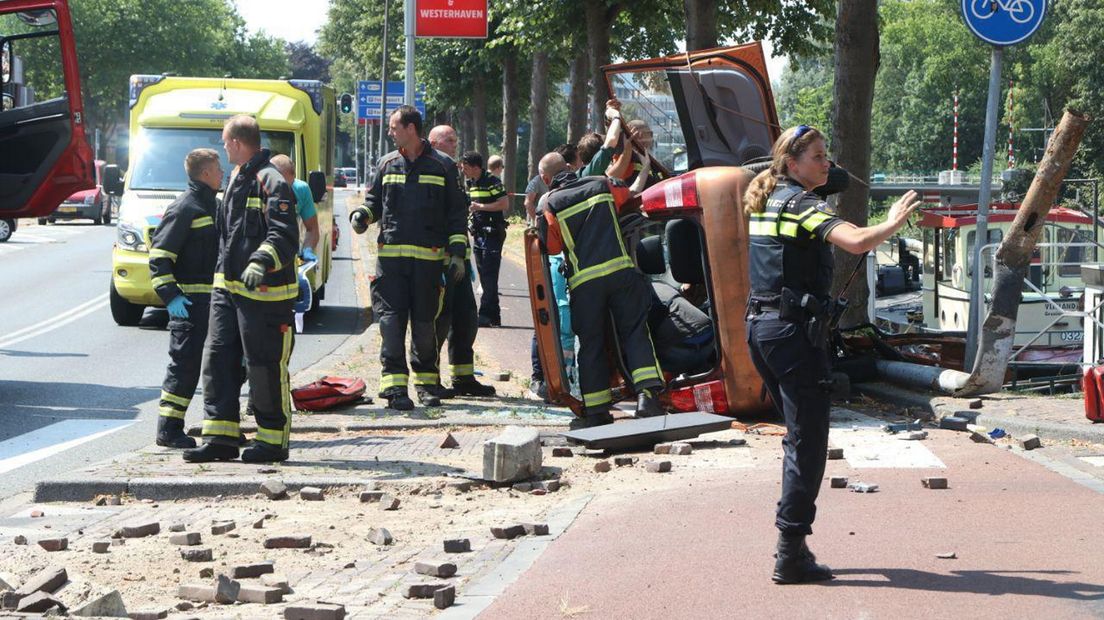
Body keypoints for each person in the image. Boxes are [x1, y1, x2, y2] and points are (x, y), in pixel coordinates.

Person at [743, 124, 920, 584]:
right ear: (793, 163)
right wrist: (894, 221)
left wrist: (826, 171)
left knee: (796, 439)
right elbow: (857, 242)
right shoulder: (801, 204)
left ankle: (792, 541)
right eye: (819, 156)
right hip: (792, 335)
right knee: (809, 444)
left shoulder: (766, 198)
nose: (828, 164)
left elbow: (832, 181)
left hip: (761, 330)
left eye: (828, 156)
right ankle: (790, 551)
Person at [183, 115, 300, 463]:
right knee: (217, 360)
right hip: (228, 291)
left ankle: (273, 441)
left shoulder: (271, 180)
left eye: (224, 141)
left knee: (264, 367)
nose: (222, 147)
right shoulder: (236, 177)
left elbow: (284, 235)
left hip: (265, 296)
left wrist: (261, 261)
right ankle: (220, 438)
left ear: (236, 142)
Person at [350, 107, 469, 409]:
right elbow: (374, 201)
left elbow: (456, 214)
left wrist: (456, 255)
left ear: (411, 128)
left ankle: (427, 385)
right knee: (390, 323)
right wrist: (362, 215)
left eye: (393, 127)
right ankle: (394, 388)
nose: (390, 132)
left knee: (424, 325)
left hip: (429, 262)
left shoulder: (443, 166)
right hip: (390, 261)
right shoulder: (386, 164)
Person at [538, 155, 665, 428]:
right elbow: (630, 197)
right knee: (634, 333)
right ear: (572, 169)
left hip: (585, 285)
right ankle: (648, 399)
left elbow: (550, 248)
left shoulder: (550, 203)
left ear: (548, 180)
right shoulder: (601, 184)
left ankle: (596, 411)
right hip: (621, 273)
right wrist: (643, 168)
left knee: (591, 345)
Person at [149, 148, 222, 449]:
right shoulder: (185, 208)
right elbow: (159, 257)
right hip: (190, 307)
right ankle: (168, 428)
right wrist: (171, 297)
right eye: (218, 169)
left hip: (215, 304)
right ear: (205, 173)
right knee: (185, 367)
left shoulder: (213, 206)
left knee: (221, 366)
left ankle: (219, 429)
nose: (223, 173)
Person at [428, 125, 496, 397]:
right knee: (438, 323)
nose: (455, 145)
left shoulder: (452, 171)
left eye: (456, 139)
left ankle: (463, 378)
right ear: (434, 142)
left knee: (466, 319)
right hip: (439, 262)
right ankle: (429, 379)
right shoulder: (430, 170)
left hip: (459, 263)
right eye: (450, 140)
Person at [461, 151, 509, 328]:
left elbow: (504, 203)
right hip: (479, 233)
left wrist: (480, 206)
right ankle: (493, 317)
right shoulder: (470, 182)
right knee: (484, 275)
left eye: (466, 168)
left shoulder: (492, 181)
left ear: (475, 167)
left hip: (493, 234)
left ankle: (484, 314)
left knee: (489, 275)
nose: (464, 171)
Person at [269, 154, 320, 261]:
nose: (286, 191)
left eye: (289, 185)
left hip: (289, 256)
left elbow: (312, 229)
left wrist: (307, 249)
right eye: (282, 185)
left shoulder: (301, 189)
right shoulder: (257, 190)